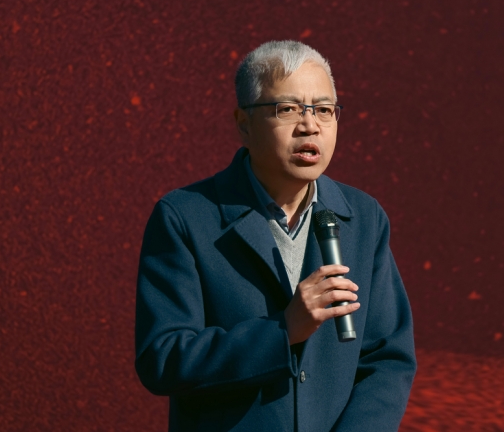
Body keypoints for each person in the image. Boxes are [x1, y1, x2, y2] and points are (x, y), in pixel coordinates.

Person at [135, 40, 416, 431]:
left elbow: (387, 359)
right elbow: (163, 358)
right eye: (288, 109)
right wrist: (283, 330)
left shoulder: (363, 217)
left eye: (324, 110)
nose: (310, 125)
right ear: (244, 124)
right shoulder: (186, 217)